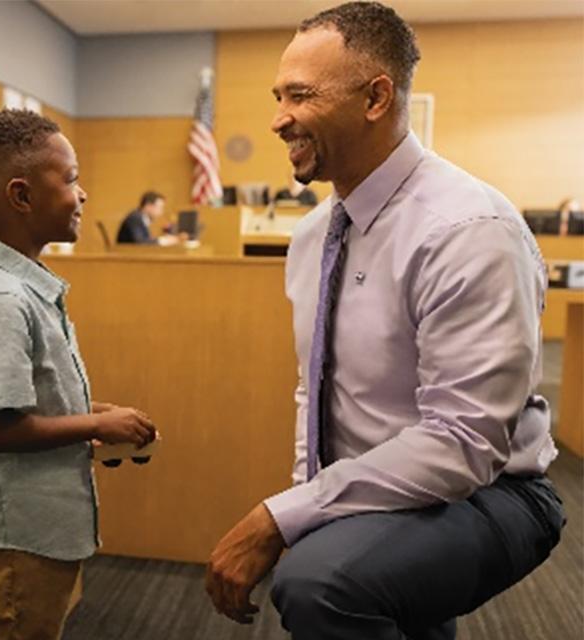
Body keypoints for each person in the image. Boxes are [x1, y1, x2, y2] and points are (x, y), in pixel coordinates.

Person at [205, 3, 564, 639]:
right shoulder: (315, 234)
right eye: (277, 95)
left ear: (376, 98)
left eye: (300, 95)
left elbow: (464, 444)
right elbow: (317, 392)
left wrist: (285, 517)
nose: (277, 118)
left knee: (321, 584)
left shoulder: (467, 230)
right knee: (356, 575)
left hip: (493, 489)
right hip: (382, 486)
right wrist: (313, 503)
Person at [0, 109, 156, 639]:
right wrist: (94, 427)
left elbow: (28, 402)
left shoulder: (26, 289)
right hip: (18, 538)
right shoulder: (0, 301)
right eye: (70, 178)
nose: (82, 193)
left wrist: (97, 413)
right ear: (22, 196)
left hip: (40, 532)